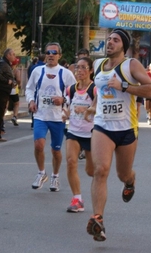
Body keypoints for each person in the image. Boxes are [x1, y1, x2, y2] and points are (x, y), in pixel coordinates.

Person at [83, 28, 151, 242]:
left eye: (115, 40)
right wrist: (92, 107)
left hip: (126, 129)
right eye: (109, 39)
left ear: (123, 45)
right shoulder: (98, 65)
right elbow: (100, 93)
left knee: (122, 174)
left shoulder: (131, 65)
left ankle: (130, 181)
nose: (110, 42)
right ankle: (98, 219)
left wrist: (124, 85)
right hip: (103, 126)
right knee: (100, 170)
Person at [26, 42, 76, 192]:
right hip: (40, 115)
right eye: (48, 52)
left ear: (59, 55)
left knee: (56, 150)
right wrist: (31, 101)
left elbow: (74, 93)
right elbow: (29, 88)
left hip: (57, 117)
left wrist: (63, 100)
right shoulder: (37, 71)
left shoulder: (66, 73)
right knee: (38, 145)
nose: (51, 55)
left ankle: (55, 176)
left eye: (54, 52)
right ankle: (41, 173)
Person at [64, 57, 95, 212]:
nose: (79, 71)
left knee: (91, 171)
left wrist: (87, 110)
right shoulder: (71, 89)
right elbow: (69, 107)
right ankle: (77, 199)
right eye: (77, 67)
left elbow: (101, 108)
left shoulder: (95, 89)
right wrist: (65, 113)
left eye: (83, 67)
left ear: (90, 70)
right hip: (74, 131)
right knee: (70, 162)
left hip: (92, 133)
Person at [28, 54, 46, 130]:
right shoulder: (43, 68)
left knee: (34, 104)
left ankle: (33, 122)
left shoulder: (33, 67)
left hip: (34, 88)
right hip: (40, 89)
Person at [8, 58, 21, 126]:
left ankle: (1, 120)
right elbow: (18, 79)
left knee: (5, 104)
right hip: (13, 90)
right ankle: (14, 116)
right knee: (16, 103)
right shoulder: (16, 70)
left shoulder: (7, 69)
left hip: (6, 88)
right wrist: (19, 84)